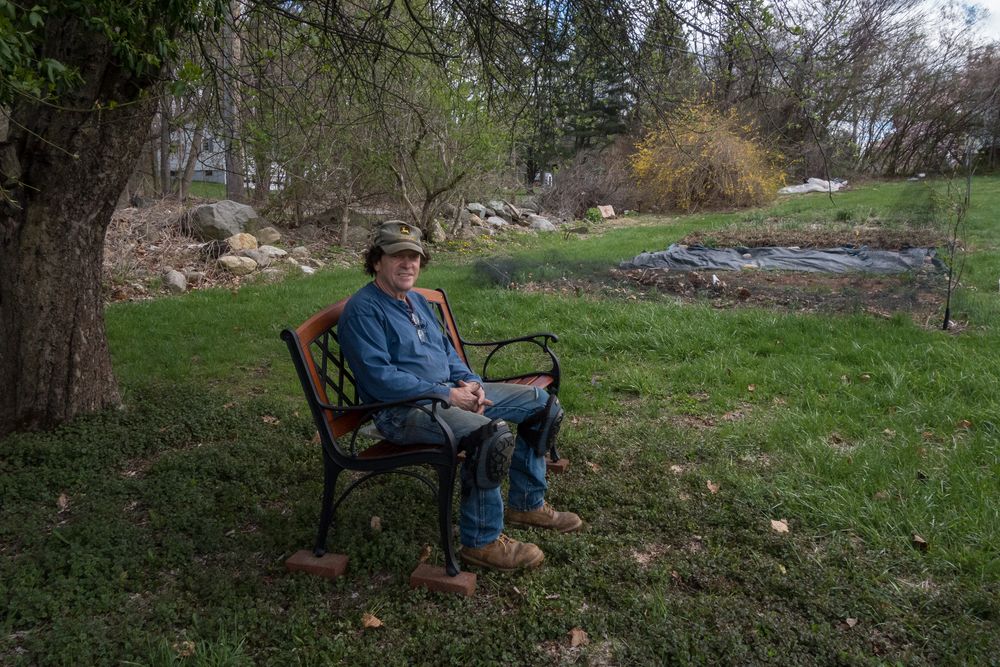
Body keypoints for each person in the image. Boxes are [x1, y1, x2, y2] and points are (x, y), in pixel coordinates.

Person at [339, 221, 582, 572]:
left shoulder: (417, 301)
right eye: (397, 256)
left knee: (542, 405)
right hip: (401, 411)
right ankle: (482, 542)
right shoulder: (364, 310)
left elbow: (447, 353)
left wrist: (471, 382)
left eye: (414, 256)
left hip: (446, 394)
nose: (408, 264)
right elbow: (381, 378)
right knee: (490, 436)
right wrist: (447, 394)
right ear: (377, 261)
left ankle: (527, 504)